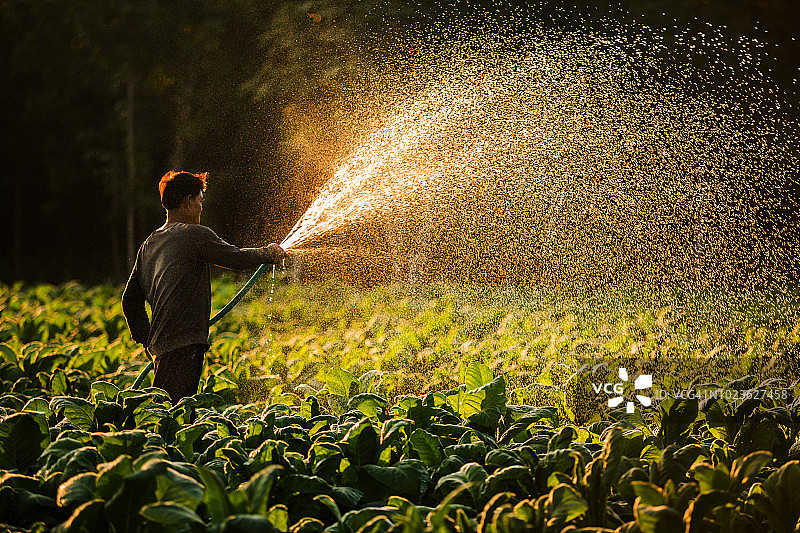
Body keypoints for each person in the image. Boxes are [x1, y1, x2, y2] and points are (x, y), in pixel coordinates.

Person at [122, 171, 287, 403]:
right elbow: (235, 258)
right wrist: (267, 253)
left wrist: (147, 338)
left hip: (163, 346)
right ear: (188, 200)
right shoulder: (193, 234)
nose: (201, 207)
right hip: (184, 344)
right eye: (200, 200)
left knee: (169, 408)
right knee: (174, 413)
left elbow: (129, 300)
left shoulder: (149, 244)